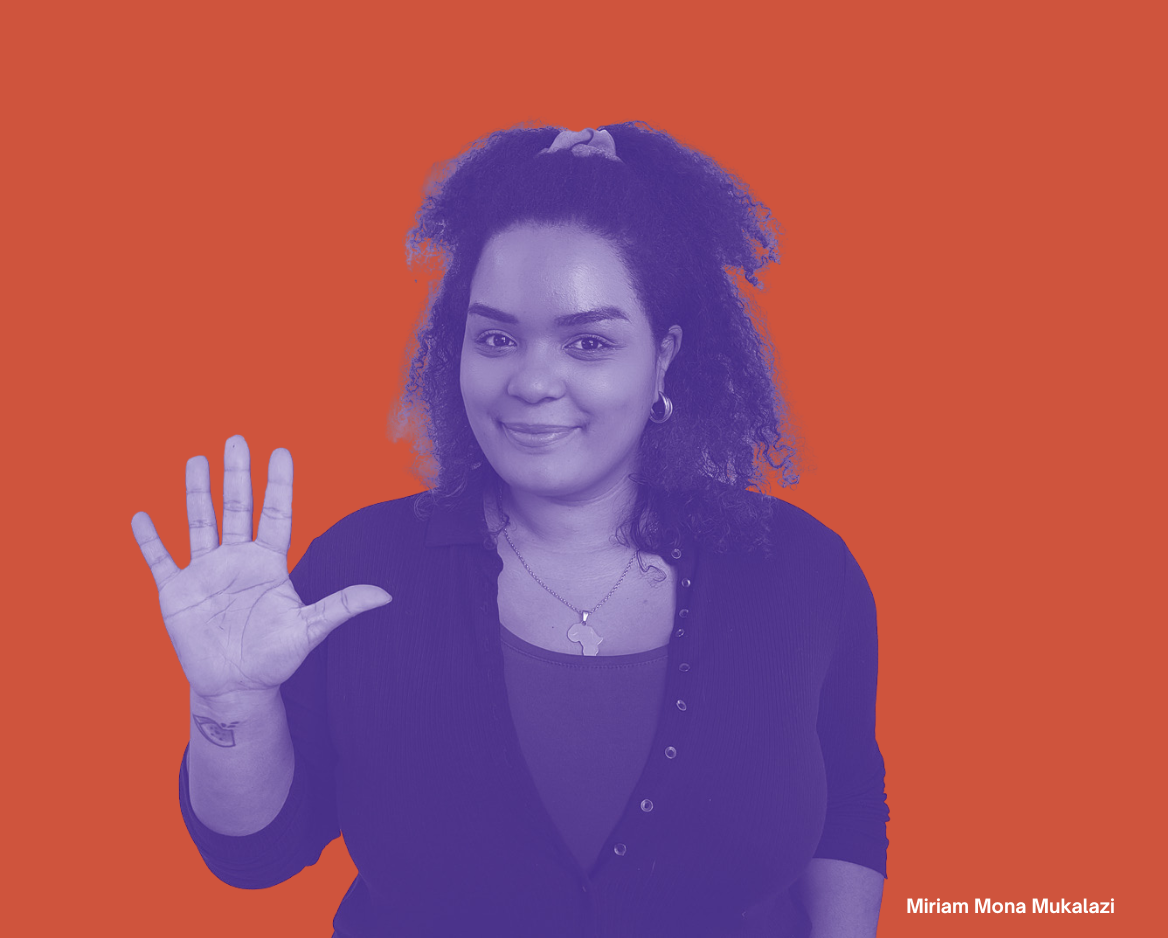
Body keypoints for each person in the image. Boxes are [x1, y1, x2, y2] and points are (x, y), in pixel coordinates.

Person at [131, 123, 889, 937]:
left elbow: (848, 806)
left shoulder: (800, 572)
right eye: (496, 338)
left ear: (664, 358)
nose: (531, 381)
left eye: (588, 342)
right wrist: (232, 703)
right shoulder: (359, 574)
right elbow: (255, 857)